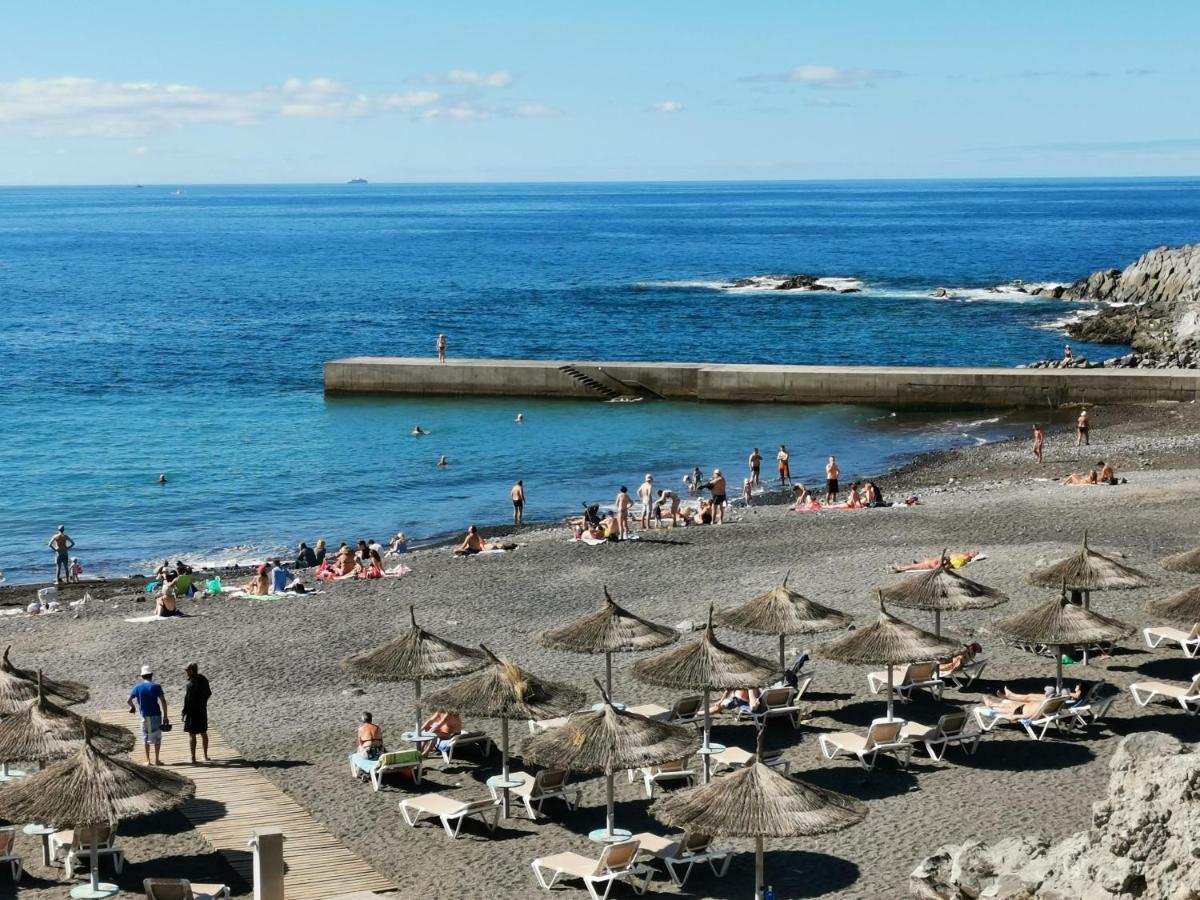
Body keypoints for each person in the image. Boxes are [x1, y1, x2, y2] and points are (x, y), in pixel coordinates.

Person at [128, 664, 169, 766]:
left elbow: (128, 700)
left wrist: (133, 707)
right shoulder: (156, 686)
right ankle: (157, 760)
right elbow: (163, 701)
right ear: (151, 675)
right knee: (157, 736)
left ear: (142, 676)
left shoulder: (137, 687)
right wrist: (165, 716)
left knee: (146, 736)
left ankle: (148, 760)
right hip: (156, 714)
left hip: (144, 715)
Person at [982, 683, 1082, 716]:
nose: (1075, 688)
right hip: (1046, 709)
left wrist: (1016, 718)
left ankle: (994, 704)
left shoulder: (1074, 697)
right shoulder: (1060, 699)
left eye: (1077, 687)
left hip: (1035, 711)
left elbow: (1019, 714)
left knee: (1024, 700)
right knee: (1028, 698)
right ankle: (1008, 697)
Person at [182, 663, 211, 764]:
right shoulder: (203, 679)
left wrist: (184, 711)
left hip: (192, 712)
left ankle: (193, 758)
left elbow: (188, 699)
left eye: (187, 671)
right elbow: (209, 693)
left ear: (191, 671)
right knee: (203, 732)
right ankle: (205, 756)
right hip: (202, 710)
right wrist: (203, 703)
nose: (186, 673)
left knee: (192, 734)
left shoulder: (191, 683)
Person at [892, 550, 979, 572]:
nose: (971, 553)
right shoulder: (962, 555)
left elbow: (949, 567)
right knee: (924, 563)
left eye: (973, 553)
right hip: (940, 560)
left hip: (941, 563)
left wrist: (945, 562)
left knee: (919, 565)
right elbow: (953, 554)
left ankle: (901, 568)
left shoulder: (962, 562)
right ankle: (904, 567)